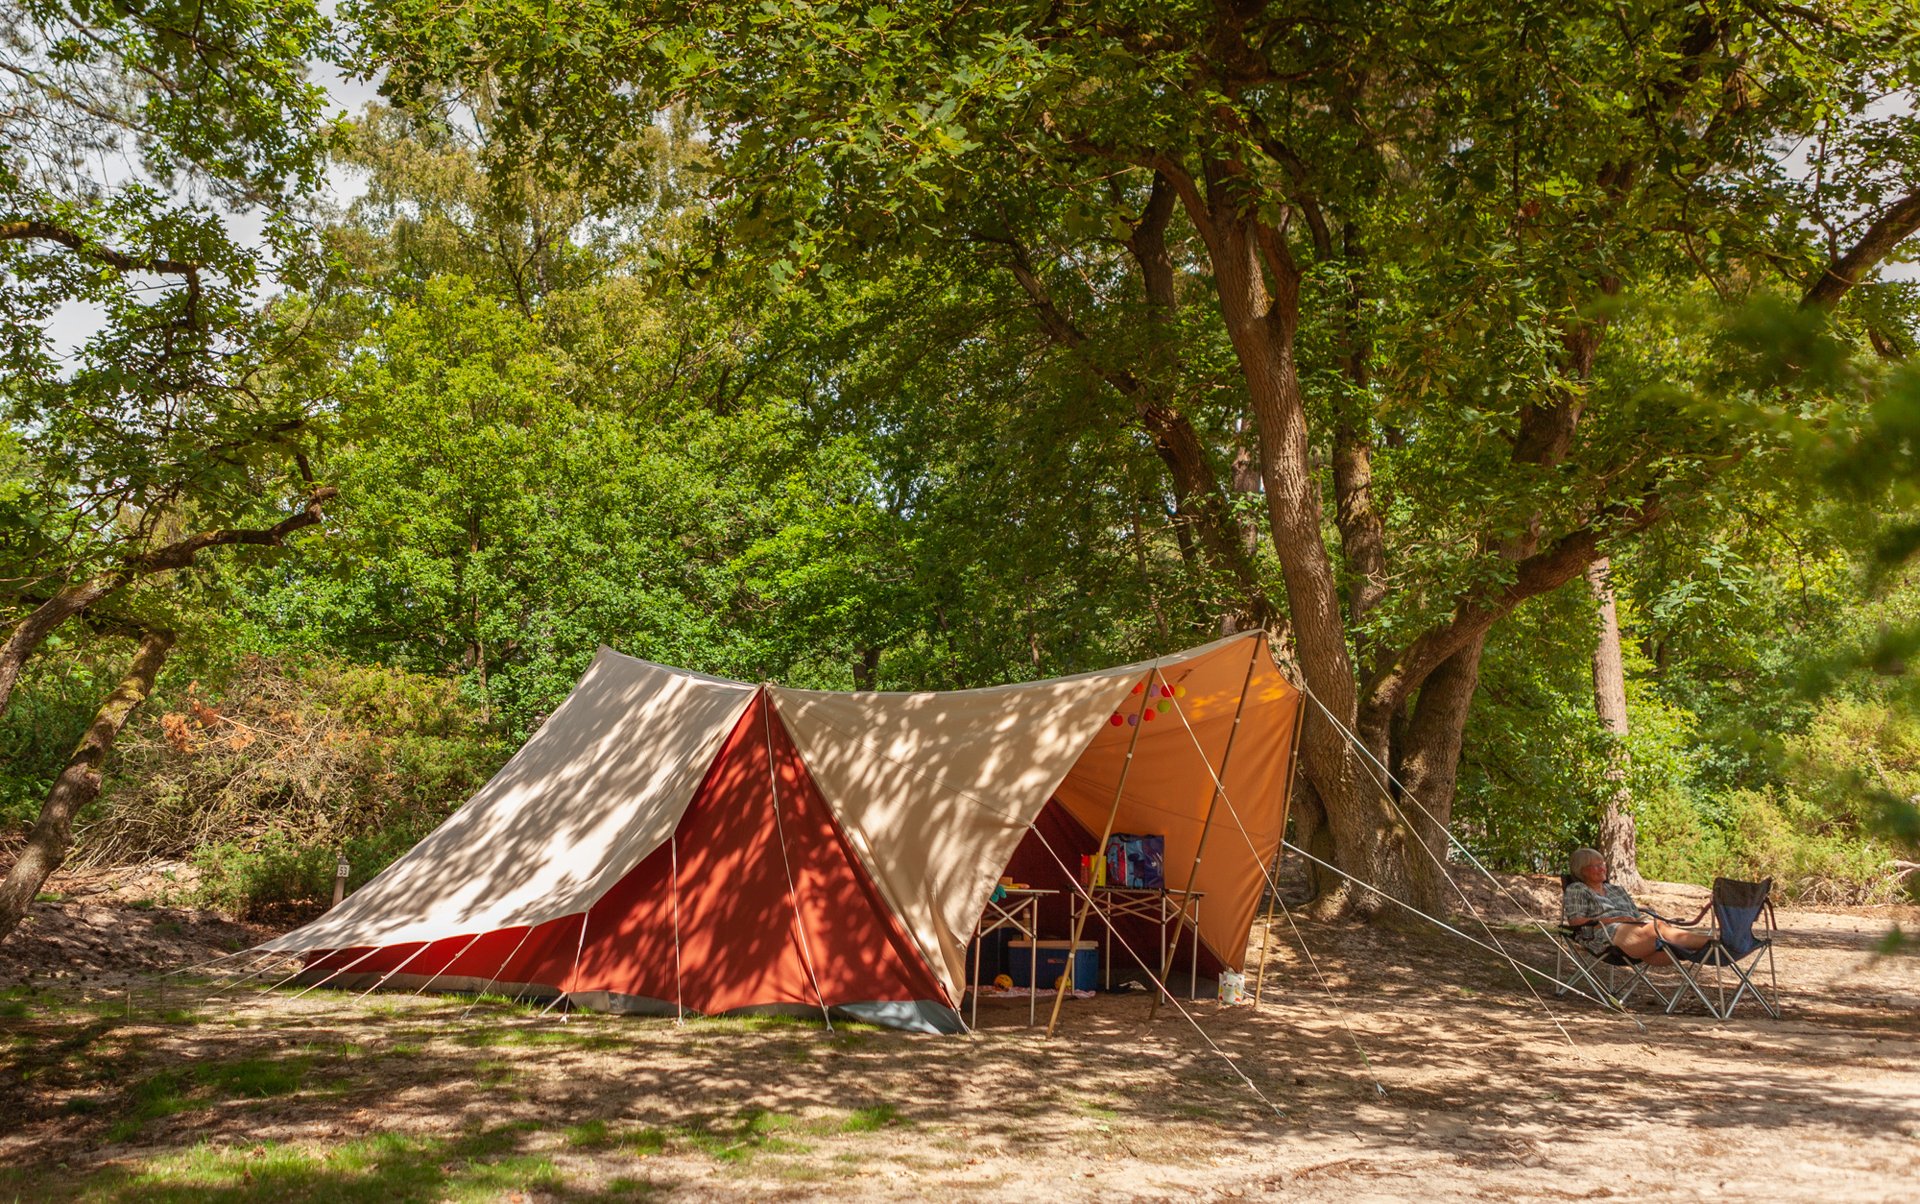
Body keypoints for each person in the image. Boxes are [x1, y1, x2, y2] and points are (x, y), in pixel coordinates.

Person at [1562, 848, 1712, 965]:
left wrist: (1643, 920)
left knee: (1663, 930)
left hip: (1637, 936)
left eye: (1602, 864)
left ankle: (1709, 947)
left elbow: (1635, 914)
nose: (1602, 868)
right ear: (1582, 870)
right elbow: (1576, 922)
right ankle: (1713, 943)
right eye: (1595, 866)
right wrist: (1615, 920)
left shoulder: (1616, 890)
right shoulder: (1577, 889)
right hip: (1604, 935)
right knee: (1658, 928)